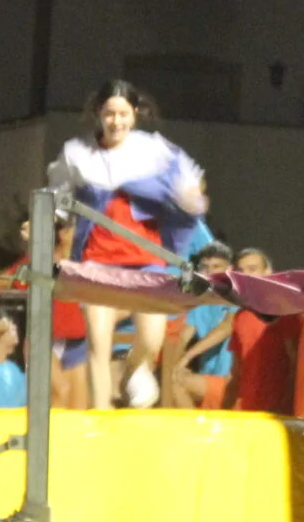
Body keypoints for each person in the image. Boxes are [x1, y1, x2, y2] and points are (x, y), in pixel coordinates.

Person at [50, 79, 209, 409]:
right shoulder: (78, 154)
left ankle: (134, 370)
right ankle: (101, 414)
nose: (116, 121)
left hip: (146, 258)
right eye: (109, 114)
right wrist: (50, 217)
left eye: (123, 114)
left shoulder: (153, 150)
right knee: (98, 342)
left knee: (152, 338)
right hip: (97, 261)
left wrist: (190, 197)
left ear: (134, 115)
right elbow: (58, 194)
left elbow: (189, 183)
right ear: (99, 114)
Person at [161, 243, 237, 411]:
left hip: (232, 382)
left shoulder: (236, 293)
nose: (209, 272)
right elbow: (183, 335)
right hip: (207, 377)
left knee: (175, 384)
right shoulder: (200, 301)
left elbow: (227, 327)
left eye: (216, 267)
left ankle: (197, 431)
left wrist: (187, 357)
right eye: (205, 267)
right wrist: (173, 368)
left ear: (230, 269)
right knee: (169, 381)